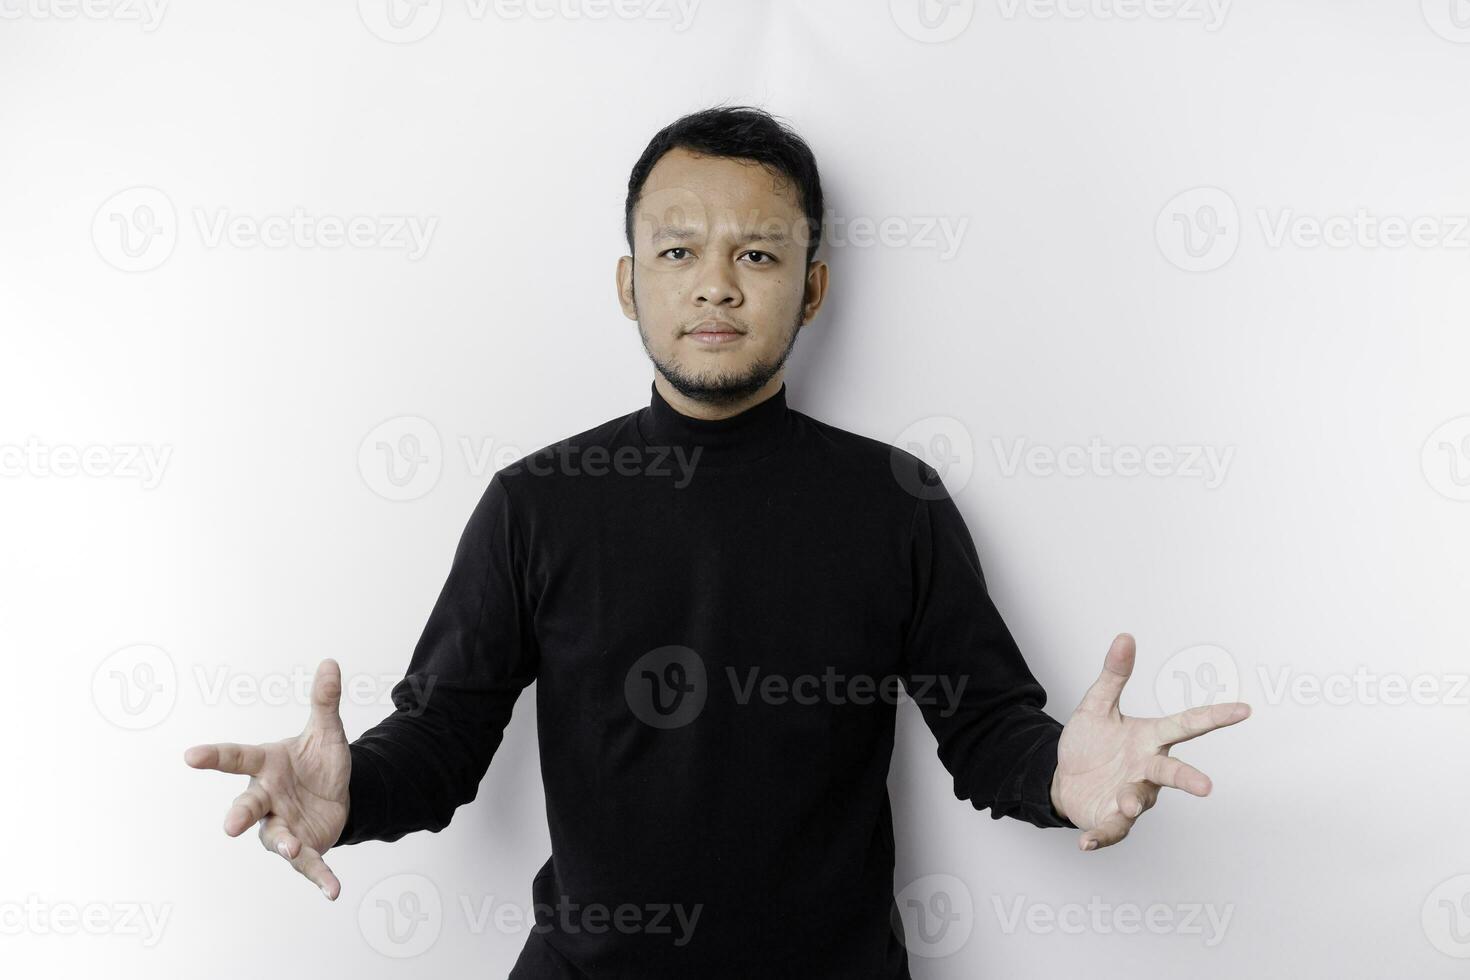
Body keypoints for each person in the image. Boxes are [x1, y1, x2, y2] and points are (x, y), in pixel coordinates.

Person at [184, 104, 1251, 978]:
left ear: (813, 286)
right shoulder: (537, 503)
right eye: (679, 248)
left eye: (758, 251)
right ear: (628, 282)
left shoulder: (894, 499)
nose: (717, 282)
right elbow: (440, 742)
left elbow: (988, 729)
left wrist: (1062, 778)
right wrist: (353, 791)